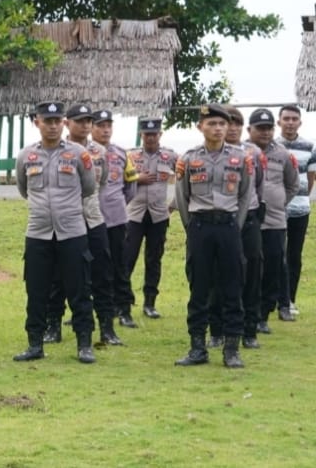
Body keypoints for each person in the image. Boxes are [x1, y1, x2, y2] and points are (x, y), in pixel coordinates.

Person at [13, 101, 98, 364]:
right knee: (36, 291)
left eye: (57, 121)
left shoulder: (79, 154)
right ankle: (35, 344)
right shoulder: (26, 155)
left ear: (63, 123)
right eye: (47, 121)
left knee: (79, 289)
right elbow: (23, 188)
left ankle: (84, 344)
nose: (52, 126)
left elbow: (88, 186)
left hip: (72, 232)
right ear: (36, 122)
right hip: (38, 233)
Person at [174, 104, 251, 368]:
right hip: (200, 227)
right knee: (199, 287)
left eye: (222, 124)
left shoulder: (241, 158)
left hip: (228, 226)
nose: (218, 129)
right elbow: (182, 197)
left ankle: (232, 349)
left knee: (232, 286)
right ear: (200, 127)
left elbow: (245, 195)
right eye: (212, 124)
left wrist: (235, 225)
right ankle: (197, 347)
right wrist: (192, 227)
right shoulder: (188, 158)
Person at [45, 104, 122, 346]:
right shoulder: (55, 149)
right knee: (58, 276)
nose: (85, 125)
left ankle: (107, 328)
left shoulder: (99, 152)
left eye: (89, 121)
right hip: (64, 222)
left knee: (102, 274)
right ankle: (53, 326)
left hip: (93, 219)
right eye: (79, 121)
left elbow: (103, 183)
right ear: (67, 123)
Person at [207, 105, 264, 349]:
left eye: (237, 123)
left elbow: (258, 186)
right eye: (227, 123)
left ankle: (249, 330)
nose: (232, 128)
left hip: (248, 219)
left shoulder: (253, 153)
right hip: (221, 220)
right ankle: (216, 330)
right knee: (217, 275)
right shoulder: (208, 154)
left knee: (252, 273)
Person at [121, 117, 178, 324]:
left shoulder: (170, 156)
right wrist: (138, 178)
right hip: (134, 215)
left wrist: (173, 205)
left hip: (158, 215)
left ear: (160, 134)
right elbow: (118, 179)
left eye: (154, 134)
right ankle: (123, 303)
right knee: (127, 259)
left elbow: (184, 178)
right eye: (147, 134)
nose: (151, 138)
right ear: (141, 135)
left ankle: (150, 303)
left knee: (154, 260)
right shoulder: (130, 156)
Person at [249, 109, 300, 337]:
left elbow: (292, 186)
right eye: (260, 128)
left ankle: (263, 315)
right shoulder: (241, 151)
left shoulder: (284, 154)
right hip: (248, 222)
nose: (265, 132)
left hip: (274, 222)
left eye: (269, 128)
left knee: (272, 269)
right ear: (250, 129)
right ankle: (247, 312)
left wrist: (277, 202)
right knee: (249, 269)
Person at [90, 110, 137, 338]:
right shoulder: (84, 152)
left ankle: (124, 309)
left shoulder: (121, 153)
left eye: (108, 125)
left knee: (120, 265)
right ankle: (89, 308)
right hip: (90, 220)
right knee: (90, 267)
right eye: (100, 125)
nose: (105, 130)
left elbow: (131, 187)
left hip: (116, 219)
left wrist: (116, 203)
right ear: (92, 128)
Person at [276, 104, 316, 319]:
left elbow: (310, 178)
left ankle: (289, 300)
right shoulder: (272, 146)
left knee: (294, 255)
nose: (290, 123)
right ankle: (273, 298)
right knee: (274, 254)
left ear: (300, 122)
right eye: (286, 119)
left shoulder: (310, 147)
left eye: (294, 119)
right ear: (279, 122)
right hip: (275, 210)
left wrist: (300, 197)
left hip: (300, 209)